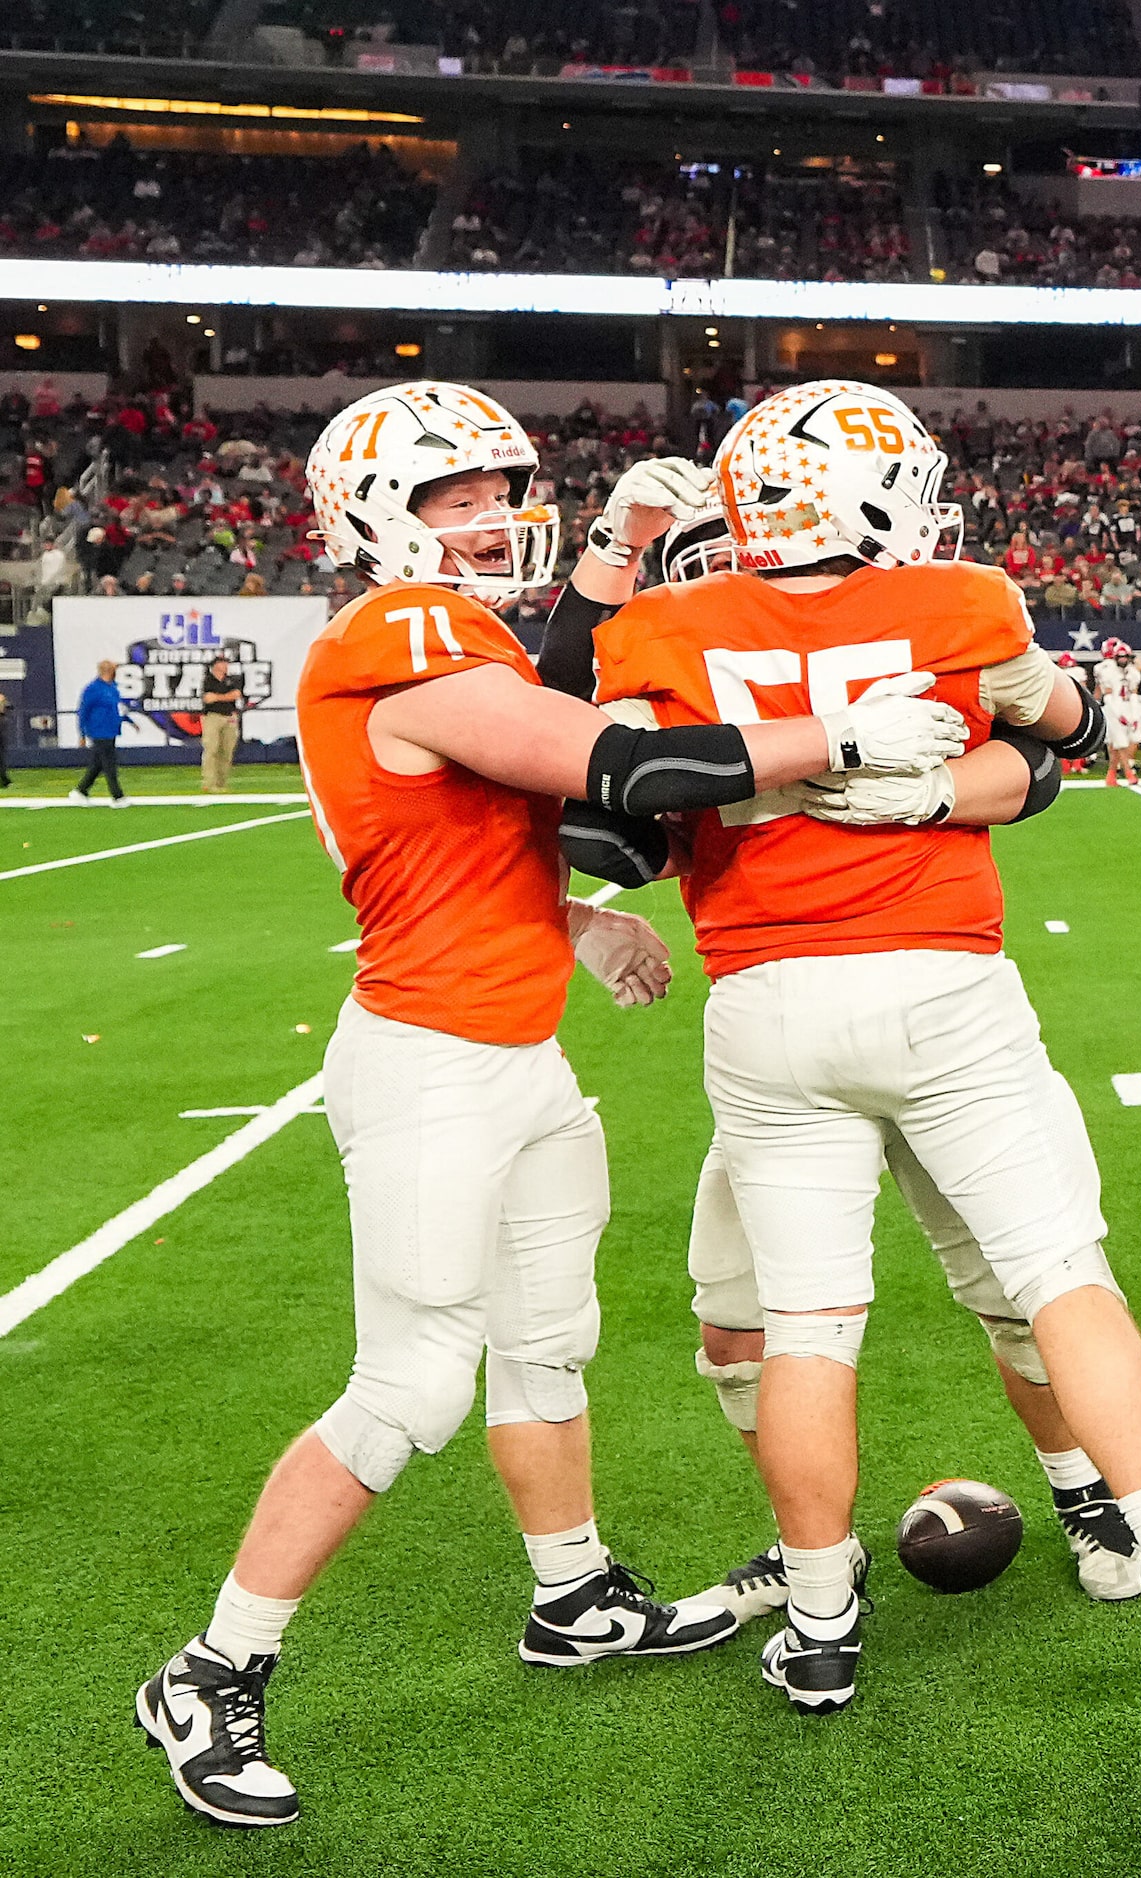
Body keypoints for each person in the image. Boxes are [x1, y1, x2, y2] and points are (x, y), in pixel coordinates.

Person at [132, 380, 964, 1830]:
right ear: (379, 511)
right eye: (457, 496)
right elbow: (610, 759)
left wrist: (575, 918)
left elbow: (463, 828)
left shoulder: (449, 637)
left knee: (546, 1343)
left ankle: (572, 1592)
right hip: (429, 1064)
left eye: (500, 489)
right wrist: (832, 732)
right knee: (409, 1380)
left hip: (508, 1051)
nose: (490, 516)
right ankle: (213, 1667)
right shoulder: (397, 630)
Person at [587, 380, 1141, 1715]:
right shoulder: (956, 601)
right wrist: (938, 772)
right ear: (854, 490)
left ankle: (816, 1617)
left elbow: (617, 790)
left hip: (765, 994)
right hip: (936, 973)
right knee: (1055, 1272)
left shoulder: (662, 625)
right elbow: (1066, 728)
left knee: (805, 1320)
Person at [71, 658, 127, 801]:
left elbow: (116, 709)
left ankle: (81, 790)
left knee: (98, 764)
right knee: (109, 763)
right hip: (99, 731)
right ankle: (117, 795)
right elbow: (83, 711)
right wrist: (82, 733)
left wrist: (127, 721)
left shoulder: (112, 688)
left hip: (111, 730)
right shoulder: (93, 689)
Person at [199, 654, 244, 792]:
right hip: (213, 717)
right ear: (216, 665)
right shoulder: (208, 681)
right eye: (222, 663)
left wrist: (218, 697)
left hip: (229, 717)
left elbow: (236, 694)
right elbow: (207, 699)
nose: (225, 666)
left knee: (227, 751)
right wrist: (226, 697)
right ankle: (209, 783)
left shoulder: (232, 680)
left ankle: (221, 783)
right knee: (211, 749)